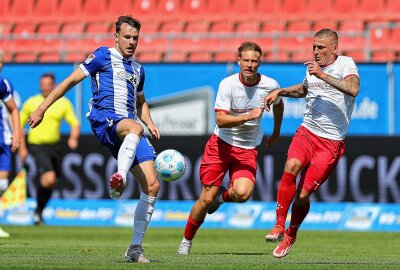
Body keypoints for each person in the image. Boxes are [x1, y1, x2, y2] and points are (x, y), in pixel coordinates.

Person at [27, 15, 160, 263]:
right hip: (106, 120)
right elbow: (69, 82)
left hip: (131, 129)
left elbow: (141, 102)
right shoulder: (101, 56)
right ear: (116, 36)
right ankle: (119, 176)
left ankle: (135, 248)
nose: (131, 42)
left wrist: (150, 122)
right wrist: (42, 108)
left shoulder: (139, 70)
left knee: (152, 185)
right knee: (134, 128)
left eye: (135, 38)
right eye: (127, 37)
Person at [177, 41, 284, 255]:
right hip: (221, 145)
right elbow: (220, 120)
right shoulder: (228, 84)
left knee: (243, 194)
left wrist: (276, 132)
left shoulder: (270, 85)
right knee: (206, 198)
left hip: (247, 150)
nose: (250, 65)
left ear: (259, 63)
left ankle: (222, 198)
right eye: (246, 60)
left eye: (254, 61)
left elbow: (279, 104)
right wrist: (247, 116)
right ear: (239, 61)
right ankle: (186, 240)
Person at [263, 29, 360, 258]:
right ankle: (278, 224)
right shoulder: (312, 70)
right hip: (307, 132)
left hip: (331, 142)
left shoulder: (346, 64)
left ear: (334, 48)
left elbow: (353, 89)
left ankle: (291, 234)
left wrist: (323, 75)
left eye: (321, 48)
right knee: (291, 167)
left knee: (303, 196)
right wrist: (281, 91)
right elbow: (304, 89)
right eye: (314, 47)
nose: (316, 52)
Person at [19, 73, 80, 225]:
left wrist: (73, 138)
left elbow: (74, 123)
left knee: (50, 182)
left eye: (48, 84)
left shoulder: (62, 103)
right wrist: (22, 148)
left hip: (55, 147)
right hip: (37, 145)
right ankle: (38, 211)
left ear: (53, 85)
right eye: (42, 84)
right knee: (49, 177)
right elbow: (19, 126)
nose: (45, 86)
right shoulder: (31, 102)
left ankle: (38, 212)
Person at [0, 50, 22, 237]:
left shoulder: (3, 84)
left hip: (2, 138)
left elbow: (13, 109)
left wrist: (17, 133)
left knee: (2, 183)